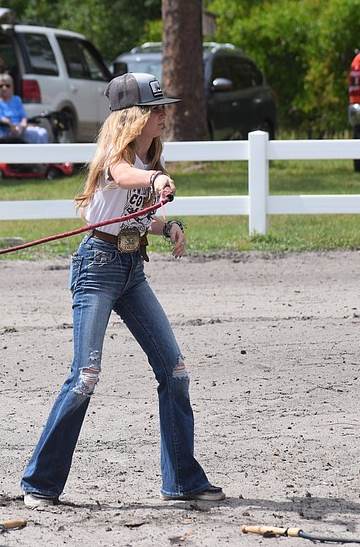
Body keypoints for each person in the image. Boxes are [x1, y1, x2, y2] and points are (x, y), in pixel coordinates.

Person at [20, 72, 225, 508]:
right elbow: (121, 175)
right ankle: (39, 483)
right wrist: (152, 182)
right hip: (97, 267)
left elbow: (132, 216)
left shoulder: (148, 162)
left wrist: (165, 226)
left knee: (175, 371)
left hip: (132, 269)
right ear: (133, 118)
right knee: (84, 378)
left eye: (163, 108)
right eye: (155, 110)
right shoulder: (118, 158)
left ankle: (182, 481)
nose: (163, 116)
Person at [0, 73, 48, 144]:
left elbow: (23, 116)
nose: (4, 88)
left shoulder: (17, 99)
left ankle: (41, 154)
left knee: (42, 132)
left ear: (12, 87)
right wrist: (11, 125)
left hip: (20, 128)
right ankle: (37, 154)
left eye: (7, 85)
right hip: (6, 130)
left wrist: (24, 123)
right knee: (34, 136)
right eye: (1, 86)